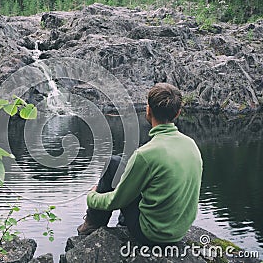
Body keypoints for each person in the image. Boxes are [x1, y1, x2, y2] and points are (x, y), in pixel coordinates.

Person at [77, 83, 203, 246]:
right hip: (178, 232)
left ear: (148, 110)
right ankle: (121, 221)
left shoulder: (146, 154)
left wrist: (92, 196)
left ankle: (91, 225)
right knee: (120, 162)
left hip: (152, 234)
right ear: (177, 113)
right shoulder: (191, 145)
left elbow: (116, 201)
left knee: (112, 163)